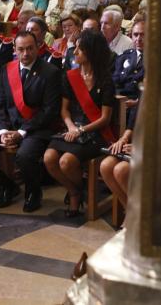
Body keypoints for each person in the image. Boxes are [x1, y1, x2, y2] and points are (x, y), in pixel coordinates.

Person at [0, 31, 62, 213]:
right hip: (8, 127)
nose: (25, 54)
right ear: (15, 50)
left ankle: (33, 193)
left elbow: (49, 112)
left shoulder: (51, 73)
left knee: (24, 156)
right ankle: (5, 187)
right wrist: (2, 130)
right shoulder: (6, 70)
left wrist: (21, 132)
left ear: (37, 48)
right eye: (21, 49)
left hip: (36, 129)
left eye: (30, 49)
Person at [43, 29, 116, 217]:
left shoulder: (106, 80)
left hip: (96, 132)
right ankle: (76, 189)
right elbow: (64, 110)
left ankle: (75, 195)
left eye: (79, 49)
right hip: (72, 129)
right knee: (49, 158)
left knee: (66, 162)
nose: (74, 52)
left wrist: (81, 129)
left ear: (91, 52)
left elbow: (105, 119)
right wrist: (71, 127)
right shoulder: (70, 76)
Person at [113, 19, 145, 98]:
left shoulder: (154, 60)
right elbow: (115, 82)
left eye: (142, 35)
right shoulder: (124, 57)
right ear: (131, 36)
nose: (138, 39)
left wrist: (136, 102)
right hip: (121, 102)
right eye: (135, 35)